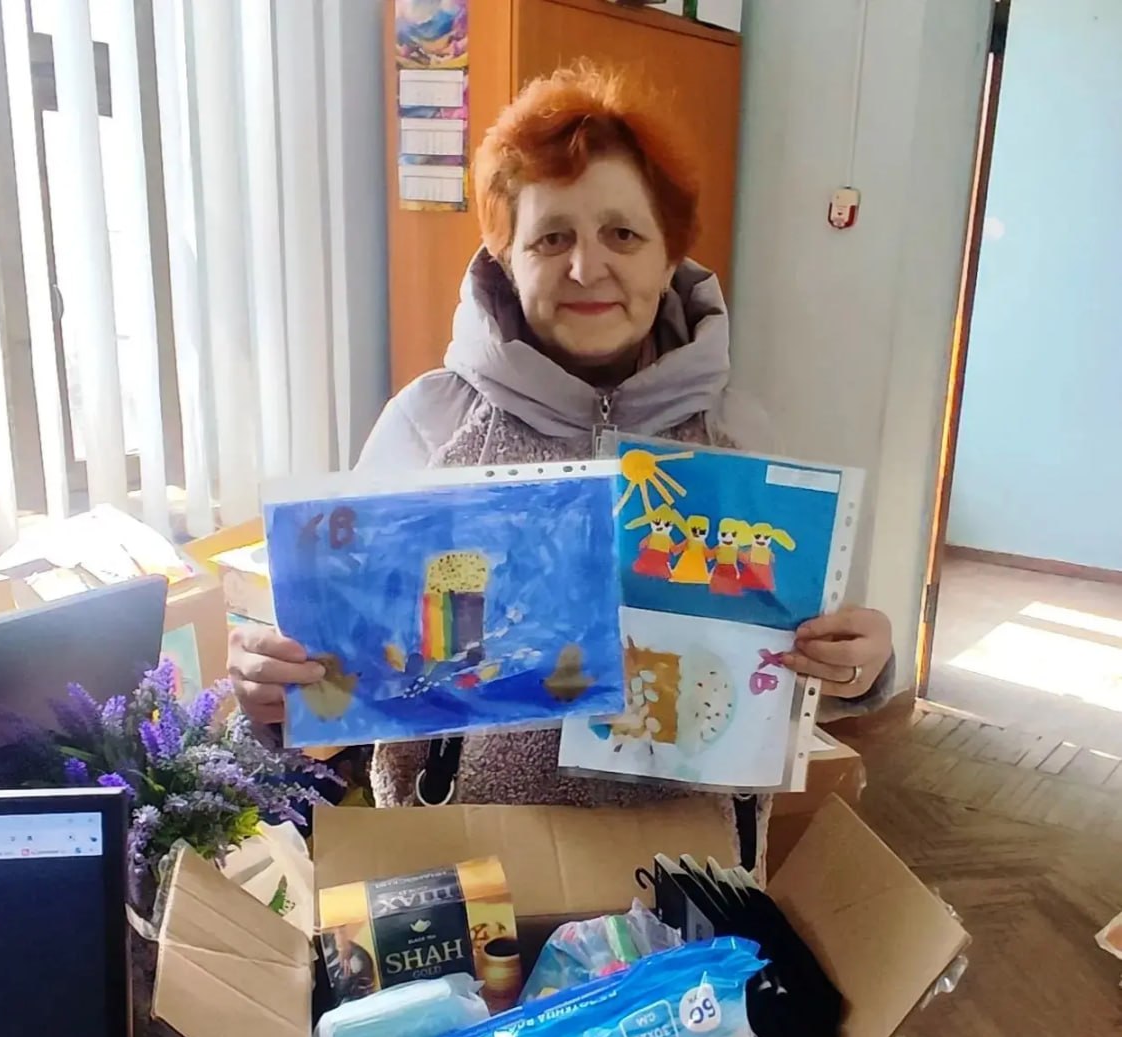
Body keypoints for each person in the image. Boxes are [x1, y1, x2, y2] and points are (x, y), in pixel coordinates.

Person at [230, 65, 893, 841]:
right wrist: (273, 696)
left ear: (668, 257)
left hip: (682, 871)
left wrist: (858, 666)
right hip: (470, 865)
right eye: (551, 238)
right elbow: (336, 679)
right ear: (505, 256)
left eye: (622, 234)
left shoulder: (739, 439)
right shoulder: (428, 426)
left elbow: (798, 664)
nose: (586, 267)